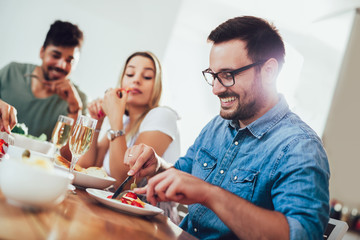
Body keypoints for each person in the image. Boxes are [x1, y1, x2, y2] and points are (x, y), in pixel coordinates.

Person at [124, 16, 330, 240]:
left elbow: (302, 235)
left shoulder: (300, 147)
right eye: (213, 76)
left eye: (227, 75)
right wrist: (157, 165)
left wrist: (210, 195)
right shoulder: (218, 126)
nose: (216, 89)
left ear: (269, 71)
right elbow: (183, 173)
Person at [77, 51, 181, 224]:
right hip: (117, 208)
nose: (136, 80)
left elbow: (124, 182)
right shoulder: (124, 121)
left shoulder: (162, 115)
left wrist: (115, 117)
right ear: (122, 80)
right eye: (130, 74)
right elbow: (86, 165)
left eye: (147, 76)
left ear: (158, 85)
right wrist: (98, 121)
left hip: (150, 219)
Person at [0, 20, 87, 140]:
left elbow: (68, 156)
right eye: (55, 56)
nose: (61, 65)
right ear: (42, 52)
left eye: (69, 61)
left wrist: (74, 109)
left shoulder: (78, 101)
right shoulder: (12, 71)